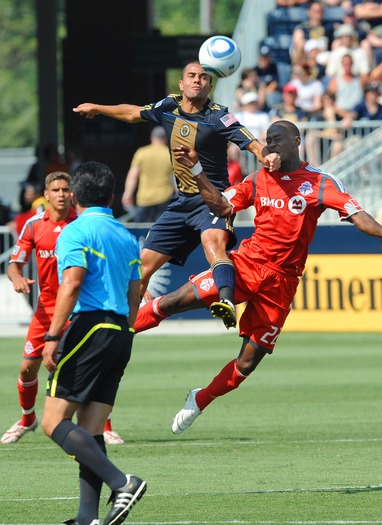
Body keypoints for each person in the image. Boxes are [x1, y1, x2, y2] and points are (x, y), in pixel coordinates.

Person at [132, 120, 382, 434]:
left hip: (282, 283)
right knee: (174, 302)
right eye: (267, 140)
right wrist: (196, 171)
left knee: (246, 364)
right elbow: (221, 206)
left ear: (297, 140)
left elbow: (355, 212)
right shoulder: (258, 179)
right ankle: (119, 331)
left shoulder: (319, 182)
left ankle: (201, 398)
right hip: (246, 266)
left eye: (276, 139)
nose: (270, 145)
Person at [73, 62, 281, 329]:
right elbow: (133, 113)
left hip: (213, 200)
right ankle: (121, 329)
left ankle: (227, 302)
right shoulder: (168, 107)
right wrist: (98, 108)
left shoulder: (219, 117)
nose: (198, 80)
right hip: (181, 202)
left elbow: (252, 143)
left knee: (213, 246)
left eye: (204, 77)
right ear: (181, 84)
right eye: (192, 76)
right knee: (142, 269)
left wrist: (269, 155)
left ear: (210, 86)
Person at [41, 161, 146, 525]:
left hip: (89, 325)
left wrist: (53, 336)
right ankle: (87, 518)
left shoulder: (74, 231)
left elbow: (72, 283)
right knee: (90, 429)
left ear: (73, 196)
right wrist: (126, 328)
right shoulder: (126, 234)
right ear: (112, 196)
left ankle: (122, 481)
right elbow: (137, 292)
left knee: (53, 422)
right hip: (121, 331)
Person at [1, 172, 123, 447]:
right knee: (27, 369)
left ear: (73, 194)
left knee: (91, 367)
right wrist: (17, 278)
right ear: (46, 194)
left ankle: (105, 426)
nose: (60, 194)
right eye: (55, 189)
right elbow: (14, 264)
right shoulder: (33, 225)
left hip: (81, 308)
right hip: (46, 311)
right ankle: (27, 418)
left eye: (65, 189)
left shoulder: (82, 224)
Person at [122, 126, 176, 223]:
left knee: (141, 231)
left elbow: (133, 176)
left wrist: (127, 195)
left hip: (144, 199)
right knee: (160, 231)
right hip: (164, 198)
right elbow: (175, 178)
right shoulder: (170, 154)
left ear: (152, 137)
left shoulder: (141, 152)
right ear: (166, 139)